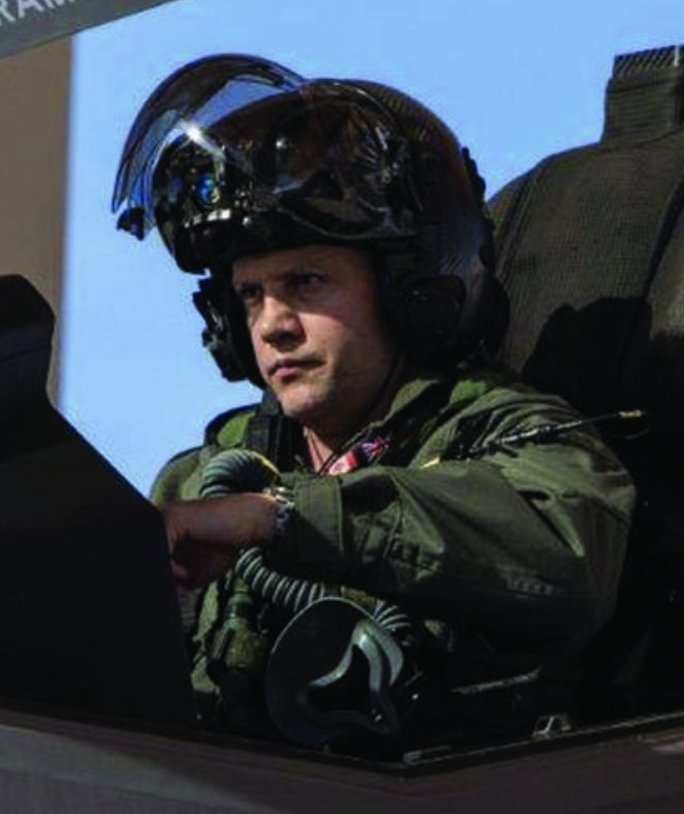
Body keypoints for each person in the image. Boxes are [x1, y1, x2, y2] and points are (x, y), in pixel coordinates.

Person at [112, 53, 635, 754]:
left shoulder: (511, 434)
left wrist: (281, 518)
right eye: (250, 296)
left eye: (306, 282)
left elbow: (569, 557)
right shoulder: (205, 477)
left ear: (407, 290)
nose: (272, 325)